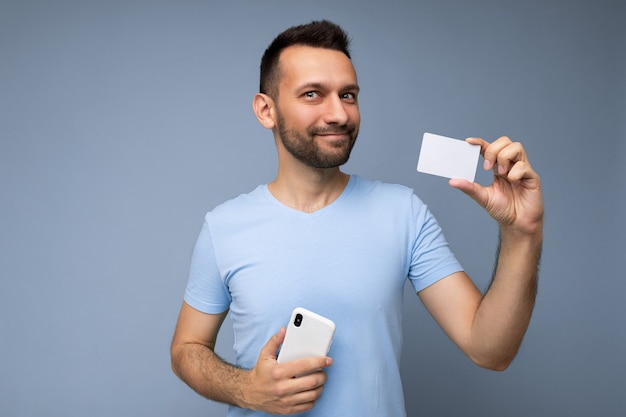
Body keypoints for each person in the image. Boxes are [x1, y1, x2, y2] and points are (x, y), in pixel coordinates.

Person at [170, 20, 543, 416]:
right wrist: (247, 388)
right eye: (313, 94)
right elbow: (186, 350)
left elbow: (491, 351)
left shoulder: (403, 213)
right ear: (267, 110)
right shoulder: (224, 226)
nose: (339, 114)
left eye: (348, 95)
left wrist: (522, 233)